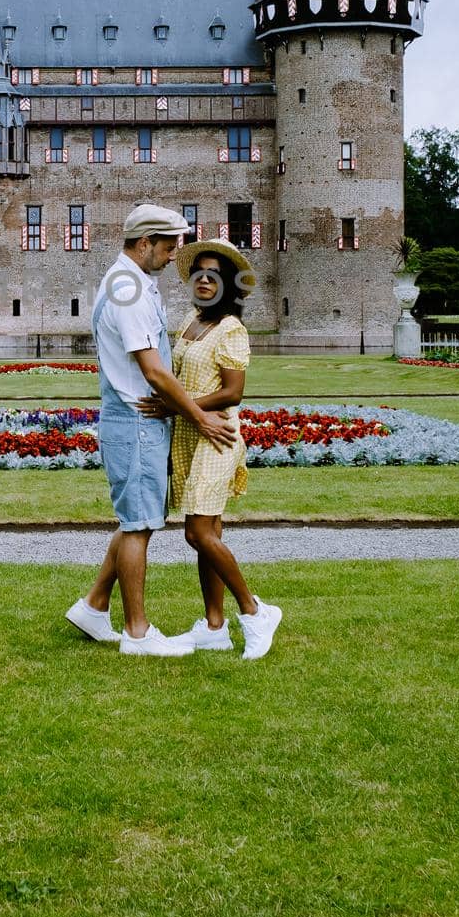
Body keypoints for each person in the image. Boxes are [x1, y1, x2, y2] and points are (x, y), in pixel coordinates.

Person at [66, 204, 239, 657]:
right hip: (136, 421)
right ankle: (138, 633)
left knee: (133, 521)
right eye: (166, 248)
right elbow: (156, 373)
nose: (171, 257)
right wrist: (200, 418)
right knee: (139, 526)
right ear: (144, 244)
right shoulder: (130, 293)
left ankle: (94, 606)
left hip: (135, 421)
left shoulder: (128, 283)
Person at [139, 238, 282, 660]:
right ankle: (214, 626)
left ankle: (255, 612)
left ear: (228, 285)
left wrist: (176, 405)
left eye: (214, 274)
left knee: (197, 532)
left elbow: (233, 393)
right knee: (209, 534)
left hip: (217, 434)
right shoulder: (190, 321)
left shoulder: (231, 329)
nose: (204, 278)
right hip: (188, 434)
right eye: (199, 271)